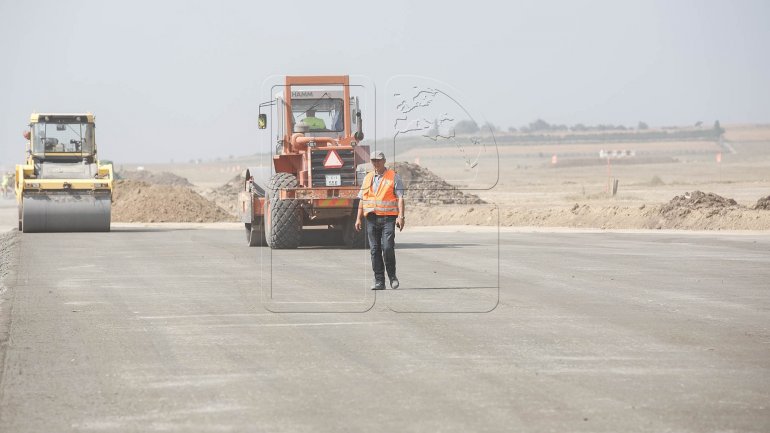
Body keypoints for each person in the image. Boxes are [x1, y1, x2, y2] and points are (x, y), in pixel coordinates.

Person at [355, 151, 405, 290]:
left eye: (378, 160)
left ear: (384, 161)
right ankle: (379, 281)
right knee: (374, 250)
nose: (375, 163)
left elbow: (400, 197)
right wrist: (358, 218)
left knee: (387, 247)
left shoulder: (394, 177)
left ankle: (392, 276)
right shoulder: (367, 178)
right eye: (373, 161)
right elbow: (362, 199)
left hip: (388, 218)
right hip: (371, 218)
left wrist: (401, 217)